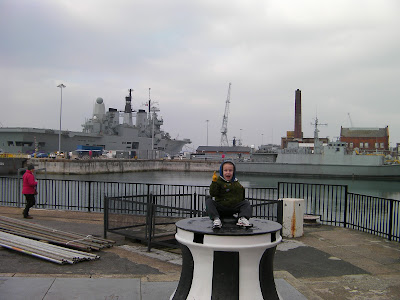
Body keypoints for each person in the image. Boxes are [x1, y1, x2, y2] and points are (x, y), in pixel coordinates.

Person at [206, 159, 252, 229]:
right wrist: (214, 182)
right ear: (222, 171)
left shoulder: (236, 183)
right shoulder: (218, 181)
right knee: (209, 201)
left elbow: (241, 196)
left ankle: (242, 218)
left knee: (246, 203)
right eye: (225, 170)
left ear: (233, 172)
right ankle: (216, 219)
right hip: (221, 207)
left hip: (233, 207)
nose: (228, 172)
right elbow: (213, 193)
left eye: (230, 171)